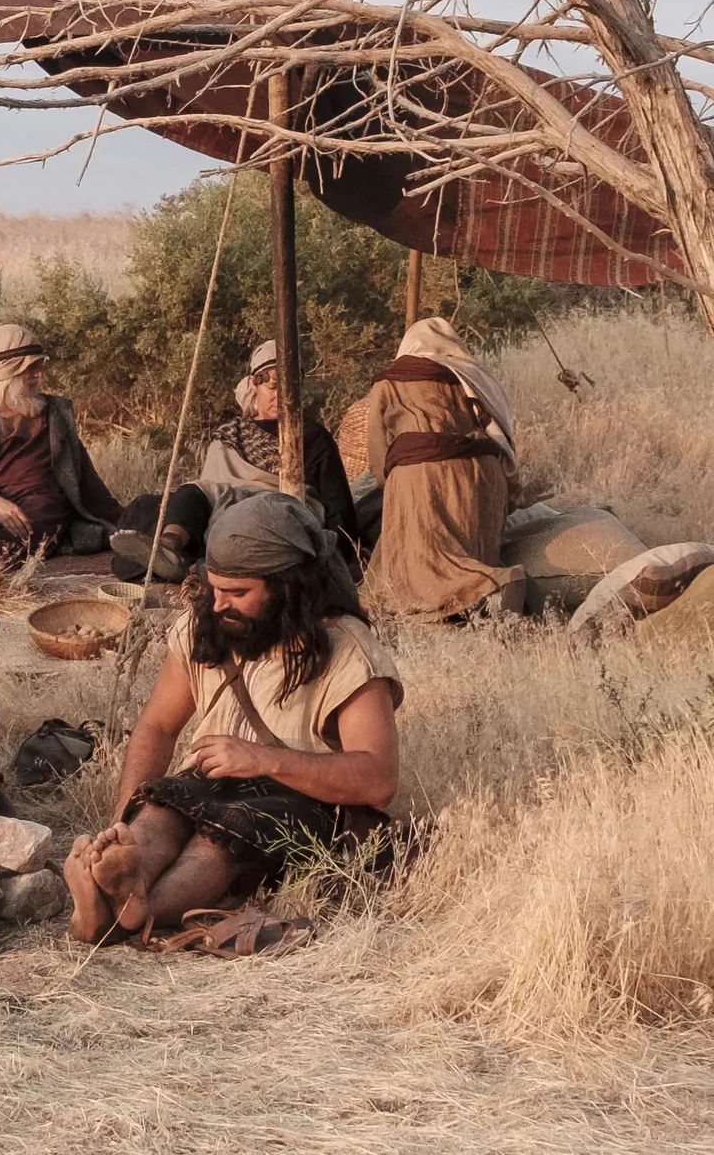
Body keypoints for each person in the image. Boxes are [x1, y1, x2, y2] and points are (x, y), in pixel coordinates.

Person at [66, 492, 401, 944]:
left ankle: (135, 913)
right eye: (215, 586)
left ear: (286, 587)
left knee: (221, 839)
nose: (219, 604)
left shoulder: (347, 650)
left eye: (238, 593)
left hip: (305, 797)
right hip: (213, 777)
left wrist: (262, 760)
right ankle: (122, 882)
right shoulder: (205, 623)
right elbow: (158, 727)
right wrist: (122, 818)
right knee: (162, 809)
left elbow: (378, 778)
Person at [111, 340, 359, 582]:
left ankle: (206, 563)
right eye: (273, 388)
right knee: (169, 499)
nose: (282, 395)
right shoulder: (231, 433)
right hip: (223, 507)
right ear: (255, 386)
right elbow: (209, 487)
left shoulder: (311, 435)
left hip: (276, 514)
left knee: (250, 522)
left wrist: (338, 556)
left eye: (291, 387)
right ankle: (169, 547)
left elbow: (336, 503)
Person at [362, 317, 526, 620]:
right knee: (469, 547)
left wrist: (391, 483)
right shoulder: (471, 375)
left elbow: (377, 446)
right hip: (482, 473)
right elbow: (498, 432)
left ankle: (495, 583)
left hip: (421, 473)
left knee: (423, 561)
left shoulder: (391, 380)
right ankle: (478, 611)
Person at [0, 323, 122, 572]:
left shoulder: (54, 415)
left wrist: (118, 520)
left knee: (43, 513)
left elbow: (85, 477)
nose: (40, 376)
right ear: (8, 371)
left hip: (38, 514)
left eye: (39, 367)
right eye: (31, 369)